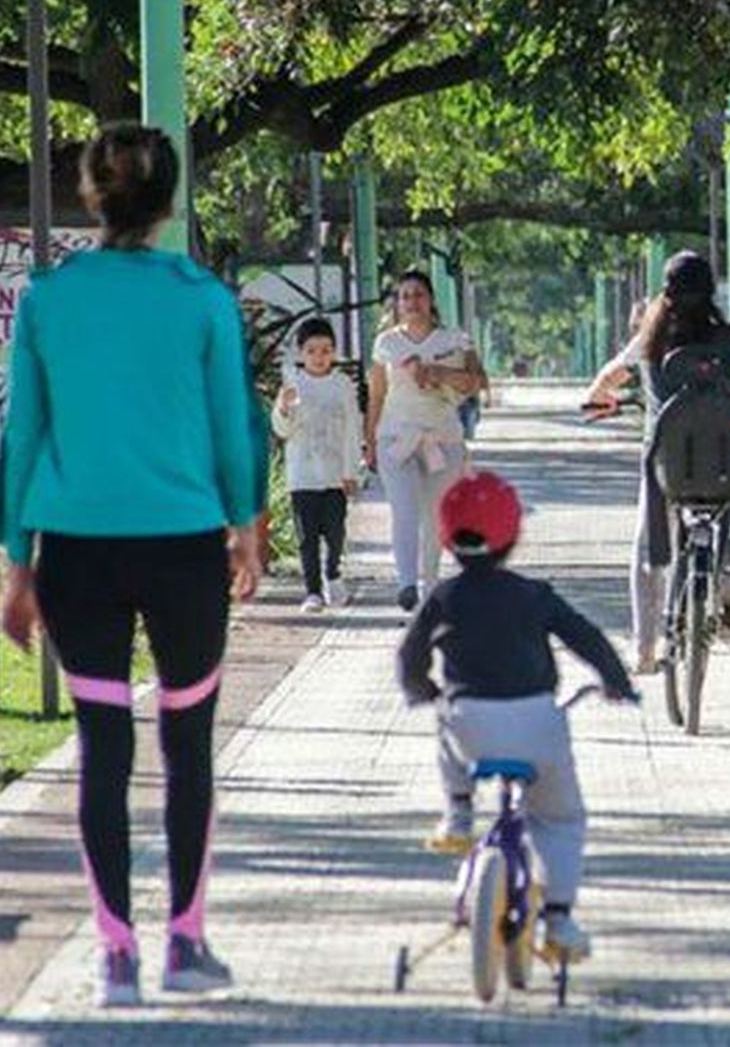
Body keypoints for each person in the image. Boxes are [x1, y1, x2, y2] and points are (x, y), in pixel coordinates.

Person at [0, 123, 266, 1008]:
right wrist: (248, 526)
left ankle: (116, 954)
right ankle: (184, 942)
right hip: (185, 546)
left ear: (91, 197)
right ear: (169, 201)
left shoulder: (48, 299)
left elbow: (23, 436)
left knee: (101, 748)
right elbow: (235, 425)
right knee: (188, 746)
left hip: (76, 551)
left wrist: (14, 561)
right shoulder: (203, 300)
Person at [397, 470, 639, 961]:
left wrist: (422, 689)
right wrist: (618, 682)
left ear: (447, 538)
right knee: (560, 818)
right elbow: (586, 636)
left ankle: (459, 811)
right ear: (513, 536)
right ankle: (560, 920)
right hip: (536, 725)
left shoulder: (442, 596)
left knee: (445, 722)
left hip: (471, 728)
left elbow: (410, 656)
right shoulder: (535, 595)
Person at [585, 250, 730, 676]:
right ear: (711, 292)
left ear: (667, 293)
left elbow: (608, 378)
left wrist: (599, 396)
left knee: (648, 549)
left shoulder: (649, 339)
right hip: (723, 463)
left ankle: (644, 650)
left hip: (665, 465)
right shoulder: (729, 341)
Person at [364, 269, 483, 611]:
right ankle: (406, 583)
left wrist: (438, 373)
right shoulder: (386, 343)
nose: (411, 302)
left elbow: (475, 383)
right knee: (403, 510)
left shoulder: (455, 340)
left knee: (435, 517)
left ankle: (430, 585)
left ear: (431, 300)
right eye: (404, 296)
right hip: (395, 440)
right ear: (397, 304)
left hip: (442, 439)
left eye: (418, 295)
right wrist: (369, 440)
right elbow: (376, 395)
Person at [272, 316, 362, 613]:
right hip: (302, 476)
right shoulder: (292, 385)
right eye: (311, 351)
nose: (319, 357)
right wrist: (285, 407)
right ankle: (312, 591)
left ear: (334, 352)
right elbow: (282, 430)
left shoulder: (343, 385)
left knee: (335, 533)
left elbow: (352, 429)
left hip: (335, 475)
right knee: (307, 537)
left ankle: (333, 573)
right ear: (301, 354)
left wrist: (351, 471)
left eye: (326, 350)